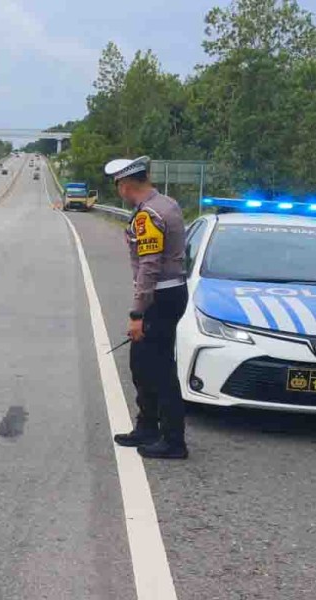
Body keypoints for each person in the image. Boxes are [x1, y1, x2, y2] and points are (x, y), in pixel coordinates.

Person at [104, 156, 189, 459]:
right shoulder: (167, 203)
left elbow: (149, 267)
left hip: (160, 298)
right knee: (140, 363)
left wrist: (137, 314)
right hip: (171, 292)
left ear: (126, 185)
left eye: (119, 186)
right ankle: (147, 426)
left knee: (159, 369)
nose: (119, 192)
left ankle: (173, 441)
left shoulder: (147, 215)